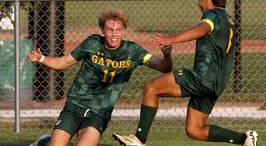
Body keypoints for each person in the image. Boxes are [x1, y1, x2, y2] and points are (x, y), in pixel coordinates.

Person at [112, 0, 258, 146]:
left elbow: (203, 29)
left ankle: (139, 140)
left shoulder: (212, 15)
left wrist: (171, 38)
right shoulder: (229, 20)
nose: (198, 2)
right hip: (217, 83)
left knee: (152, 87)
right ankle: (244, 139)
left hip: (202, 77)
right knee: (194, 129)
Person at [28, 9, 172, 146]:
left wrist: (166, 55)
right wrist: (41, 58)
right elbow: (63, 62)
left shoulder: (133, 51)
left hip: (99, 113)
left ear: (123, 30)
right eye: (110, 30)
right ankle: (43, 142)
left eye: (118, 30)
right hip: (75, 105)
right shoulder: (93, 43)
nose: (114, 34)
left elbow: (164, 67)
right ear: (103, 30)